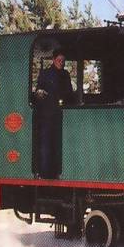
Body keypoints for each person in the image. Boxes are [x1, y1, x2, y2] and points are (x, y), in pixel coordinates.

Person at [34, 50, 75, 179]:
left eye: (63, 61)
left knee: (59, 144)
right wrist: (41, 94)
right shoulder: (45, 74)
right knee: (46, 144)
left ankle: (57, 172)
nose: (61, 63)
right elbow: (38, 91)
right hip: (46, 114)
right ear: (53, 59)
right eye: (59, 60)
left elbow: (69, 92)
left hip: (61, 114)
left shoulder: (65, 74)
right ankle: (44, 173)